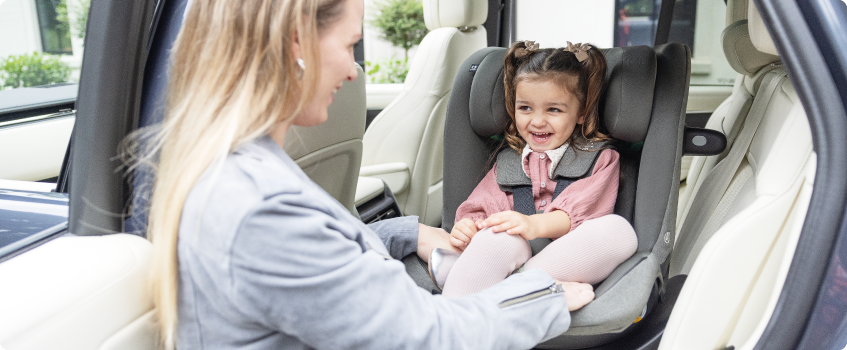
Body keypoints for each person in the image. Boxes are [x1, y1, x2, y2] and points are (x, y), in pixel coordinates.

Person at [133, 0, 594, 349]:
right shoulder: (259, 209)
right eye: (350, 44)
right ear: (297, 42)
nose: (354, 71)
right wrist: (543, 294)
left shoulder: (240, 170)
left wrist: (407, 233)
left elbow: (321, 253)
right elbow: (431, 338)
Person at [439, 41, 638, 298]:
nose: (537, 121)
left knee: (619, 232)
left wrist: (533, 225)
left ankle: (514, 290)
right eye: (525, 108)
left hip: (569, 256)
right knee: (493, 237)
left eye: (554, 109)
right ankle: (468, 309)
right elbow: (482, 206)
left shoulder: (600, 159)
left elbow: (581, 212)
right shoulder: (509, 163)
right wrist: (468, 226)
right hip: (514, 251)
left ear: (580, 112)